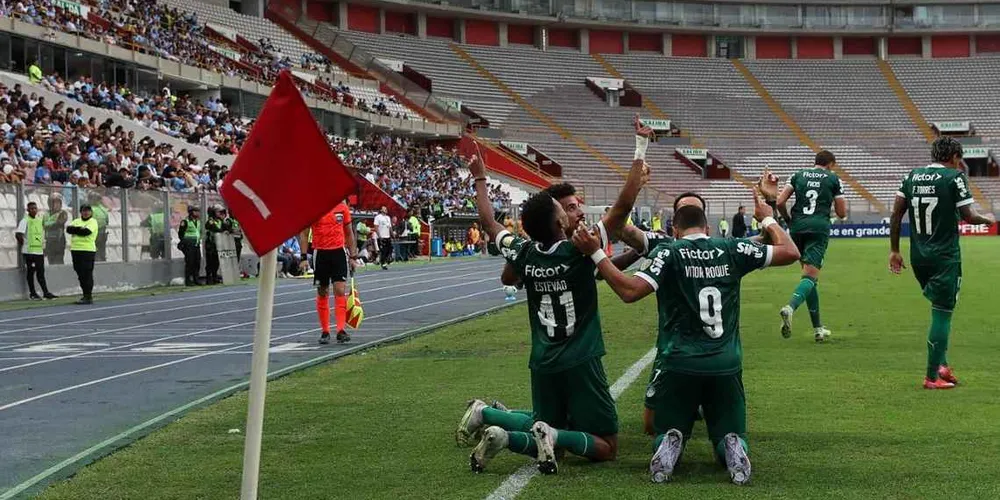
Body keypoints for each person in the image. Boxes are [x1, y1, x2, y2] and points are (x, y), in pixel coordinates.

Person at [573, 187, 800, 485]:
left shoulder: (669, 251)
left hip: (678, 362)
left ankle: (670, 442)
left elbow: (629, 292)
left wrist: (595, 252)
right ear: (707, 227)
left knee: (661, 430)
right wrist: (768, 219)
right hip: (725, 362)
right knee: (729, 434)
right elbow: (791, 252)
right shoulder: (730, 248)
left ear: (675, 230)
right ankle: (732, 446)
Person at [458, 130, 648, 475]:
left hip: (543, 361)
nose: (571, 212)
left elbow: (488, 222)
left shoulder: (524, 251)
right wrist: (640, 149)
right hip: (581, 359)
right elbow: (622, 207)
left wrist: (481, 178)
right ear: (560, 221)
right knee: (607, 445)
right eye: (565, 209)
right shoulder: (580, 249)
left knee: (541, 428)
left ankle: (503, 435)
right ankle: (539, 431)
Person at [889, 137, 996, 390]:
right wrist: (988, 219)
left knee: (938, 306)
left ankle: (942, 365)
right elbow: (969, 215)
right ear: (954, 157)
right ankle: (931, 376)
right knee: (943, 313)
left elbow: (896, 214)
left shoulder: (911, 176)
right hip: (945, 256)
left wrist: (894, 250)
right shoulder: (954, 177)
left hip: (918, 256)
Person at [776, 150, 848, 342]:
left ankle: (818, 328)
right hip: (818, 228)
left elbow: (780, 201)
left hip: (797, 227)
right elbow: (842, 213)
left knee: (808, 278)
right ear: (831, 164)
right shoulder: (833, 179)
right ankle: (790, 308)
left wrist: (788, 219)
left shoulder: (797, 175)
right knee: (810, 276)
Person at [300, 200, 357, 344]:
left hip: (338, 252)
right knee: (322, 291)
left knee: (339, 289)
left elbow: (349, 233)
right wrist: (303, 257)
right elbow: (305, 234)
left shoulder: (342, 208)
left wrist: (353, 256)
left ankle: (340, 330)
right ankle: (325, 331)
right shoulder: (313, 207)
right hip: (320, 253)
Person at [15, 202, 56, 300]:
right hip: (29, 252)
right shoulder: (25, 220)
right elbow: (18, 234)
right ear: (28, 210)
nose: (34, 210)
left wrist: (42, 246)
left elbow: (40, 235)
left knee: (41, 272)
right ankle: (32, 293)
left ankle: (45, 292)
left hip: (39, 251)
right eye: (31, 208)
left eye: (35, 208)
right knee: (31, 272)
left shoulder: (39, 220)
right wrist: (24, 244)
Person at [65, 205, 100, 305]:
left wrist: (76, 230)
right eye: (84, 211)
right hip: (76, 250)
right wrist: (79, 229)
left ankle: (88, 296)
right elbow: (68, 230)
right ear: (81, 212)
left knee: (87, 273)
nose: (86, 213)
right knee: (79, 273)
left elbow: (86, 232)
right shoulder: (76, 220)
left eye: (88, 211)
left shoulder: (93, 221)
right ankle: (85, 294)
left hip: (88, 250)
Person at [178, 205, 202, 286]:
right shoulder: (185, 221)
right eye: (196, 211)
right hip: (189, 245)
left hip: (196, 244)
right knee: (189, 263)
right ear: (192, 212)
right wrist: (184, 242)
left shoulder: (198, 221)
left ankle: (196, 279)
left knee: (197, 262)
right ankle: (188, 280)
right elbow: (181, 233)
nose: (198, 213)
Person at [44, 194, 69, 265]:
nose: (57, 205)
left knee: (59, 262)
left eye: (59, 203)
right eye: (55, 203)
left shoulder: (63, 213)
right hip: (49, 242)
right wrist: (53, 222)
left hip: (59, 241)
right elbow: (44, 224)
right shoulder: (46, 214)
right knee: (51, 262)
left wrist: (50, 223)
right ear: (50, 204)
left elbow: (60, 222)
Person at [204, 206, 224, 285]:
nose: (219, 213)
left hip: (218, 244)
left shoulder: (220, 221)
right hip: (210, 244)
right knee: (210, 262)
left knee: (216, 262)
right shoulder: (210, 221)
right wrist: (223, 230)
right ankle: (209, 278)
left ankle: (215, 277)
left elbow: (225, 228)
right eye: (218, 212)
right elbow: (215, 228)